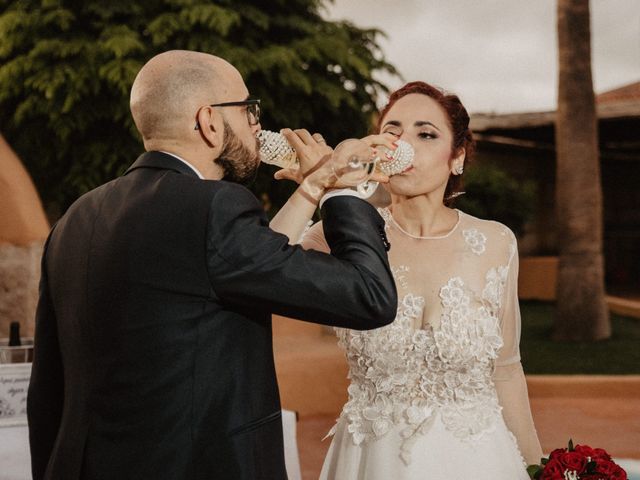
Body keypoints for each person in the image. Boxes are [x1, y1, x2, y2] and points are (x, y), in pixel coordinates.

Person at [26, 50, 398, 480]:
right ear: (208, 121)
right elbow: (369, 296)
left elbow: (46, 394)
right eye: (248, 111)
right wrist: (340, 190)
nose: (258, 126)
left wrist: (312, 186)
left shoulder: (76, 218)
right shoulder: (217, 208)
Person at [295, 81, 543, 479]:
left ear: (457, 157)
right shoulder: (341, 232)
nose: (401, 145)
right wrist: (314, 187)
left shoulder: (496, 242)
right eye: (390, 133)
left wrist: (537, 468)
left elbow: (507, 371)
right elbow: (259, 265)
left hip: (479, 461)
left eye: (425, 134)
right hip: (372, 462)